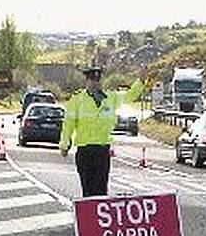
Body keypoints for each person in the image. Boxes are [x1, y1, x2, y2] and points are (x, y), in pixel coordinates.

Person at [59, 66, 144, 197]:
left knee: (101, 190)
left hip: (102, 150)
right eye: (92, 80)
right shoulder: (78, 99)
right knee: (88, 190)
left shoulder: (110, 98)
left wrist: (141, 81)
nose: (95, 83)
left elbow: (129, 96)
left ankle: (99, 217)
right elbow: (68, 124)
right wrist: (64, 145)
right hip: (85, 150)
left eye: (98, 80)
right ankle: (88, 217)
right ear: (87, 81)